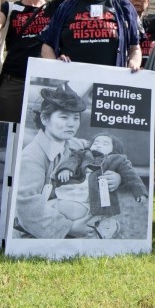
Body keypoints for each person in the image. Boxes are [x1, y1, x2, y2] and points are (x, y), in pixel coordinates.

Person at [16, 83, 123, 238]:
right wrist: (69, 228)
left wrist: (117, 176)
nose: (71, 123)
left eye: (76, 117)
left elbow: (113, 157)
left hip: (78, 212)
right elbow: (27, 204)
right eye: (64, 117)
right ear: (45, 119)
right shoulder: (32, 156)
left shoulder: (77, 145)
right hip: (44, 226)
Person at [52, 133, 148, 238]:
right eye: (96, 142)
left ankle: (103, 224)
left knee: (96, 211)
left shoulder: (118, 159)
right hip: (78, 188)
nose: (98, 145)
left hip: (97, 194)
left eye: (105, 143)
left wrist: (140, 192)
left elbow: (131, 175)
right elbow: (73, 160)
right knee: (61, 204)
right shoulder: (83, 153)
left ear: (114, 149)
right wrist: (67, 169)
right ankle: (84, 226)